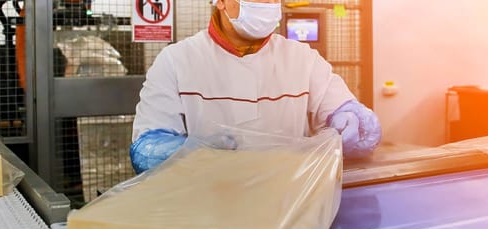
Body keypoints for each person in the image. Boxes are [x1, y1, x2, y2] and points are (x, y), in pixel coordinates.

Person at [130, 0, 382, 174]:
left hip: (289, 209)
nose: (268, 5)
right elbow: (146, 150)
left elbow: (359, 126)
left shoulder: (302, 58)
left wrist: (350, 120)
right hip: (206, 208)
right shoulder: (176, 61)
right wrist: (191, 153)